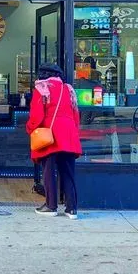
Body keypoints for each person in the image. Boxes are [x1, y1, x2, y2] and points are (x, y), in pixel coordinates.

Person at [26, 63, 82, 219]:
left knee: (49, 172)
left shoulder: (42, 88)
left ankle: (51, 206)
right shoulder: (69, 89)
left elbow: (37, 115)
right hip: (69, 134)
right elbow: (76, 115)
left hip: (50, 135)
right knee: (68, 173)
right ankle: (72, 209)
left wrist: (30, 128)